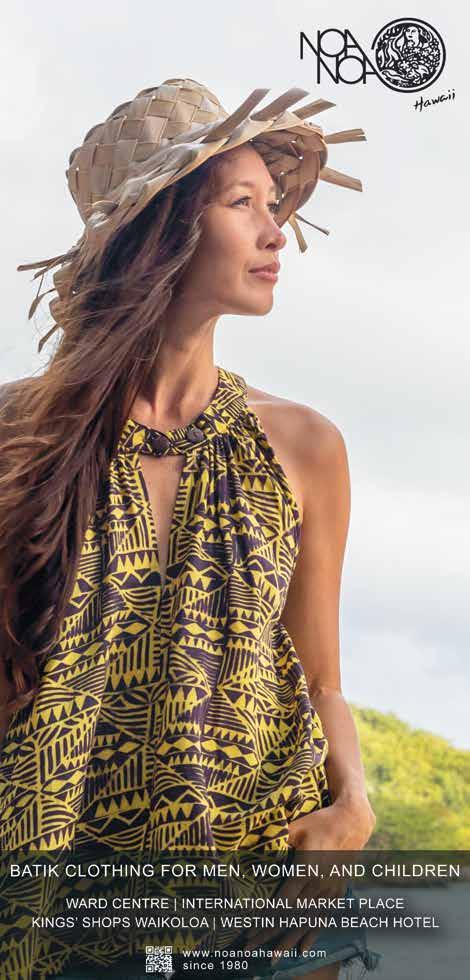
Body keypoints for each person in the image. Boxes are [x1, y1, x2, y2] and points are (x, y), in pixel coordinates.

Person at [0, 79, 380, 979]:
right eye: (242, 203)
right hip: (59, 892)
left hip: (260, 892)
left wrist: (352, 808)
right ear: (162, 231)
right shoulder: (20, 433)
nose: (275, 232)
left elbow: (322, 676)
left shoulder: (305, 445)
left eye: (274, 203)